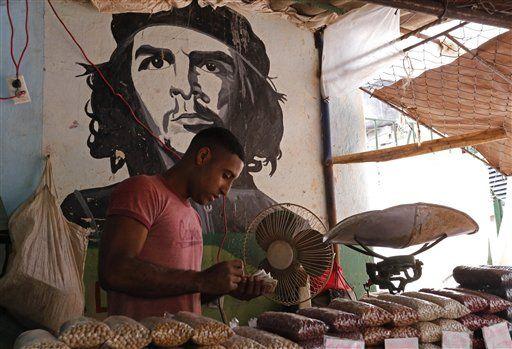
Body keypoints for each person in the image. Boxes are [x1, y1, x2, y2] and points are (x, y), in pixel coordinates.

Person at [61, 2, 285, 237]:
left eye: (210, 66)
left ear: (245, 90)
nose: (185, 88)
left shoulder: (278, 225)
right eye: (157, 63)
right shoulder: (87, 212)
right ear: (127, 86)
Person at [99, 127, 267, 320]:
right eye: (226, 176)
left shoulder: (193, 216)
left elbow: (185, 291)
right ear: (203, 156)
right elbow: (113, 272)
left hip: (184, 338)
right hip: (141, 341)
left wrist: (222, 287)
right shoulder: (144, 190)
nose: (225, 191)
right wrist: (202, 279)